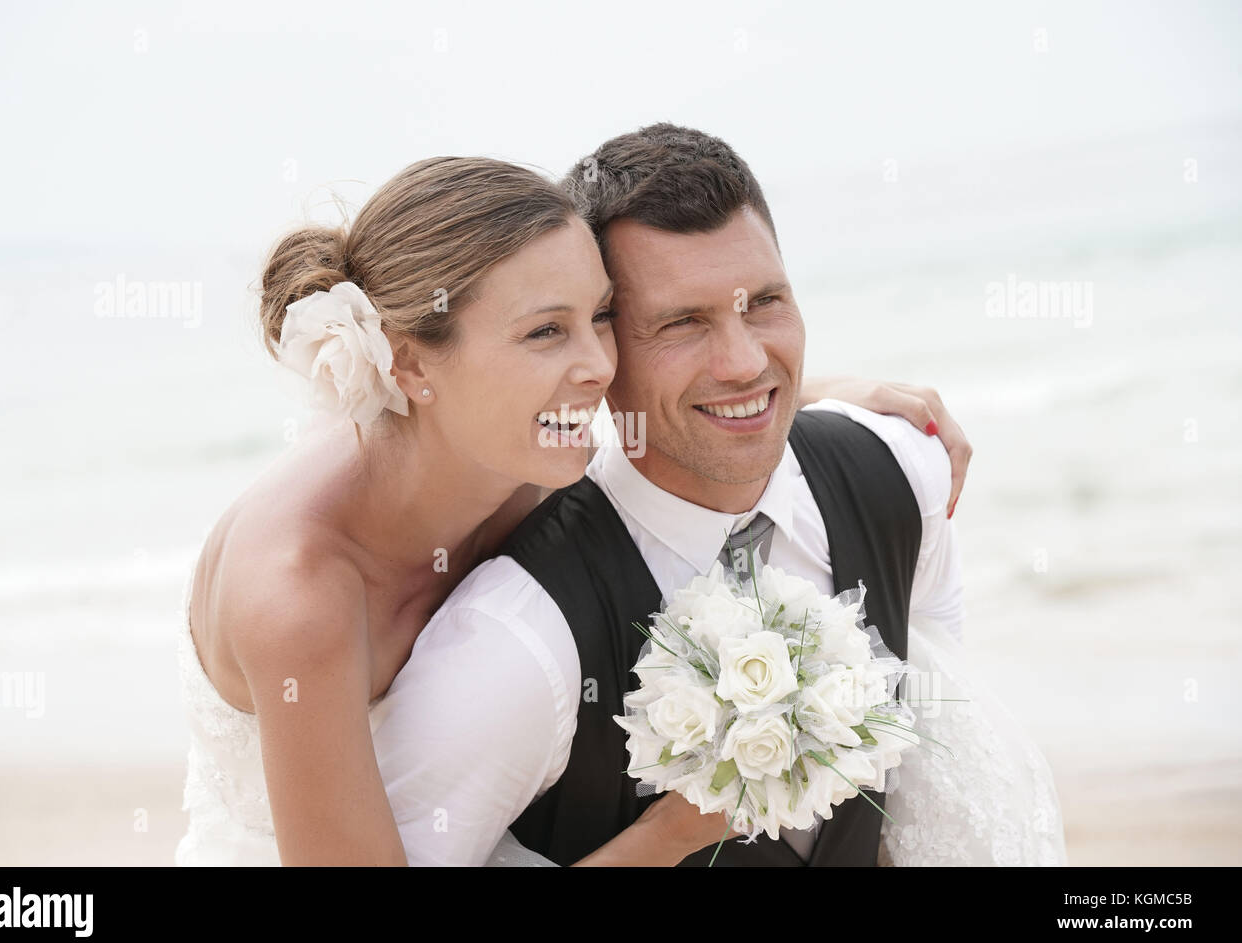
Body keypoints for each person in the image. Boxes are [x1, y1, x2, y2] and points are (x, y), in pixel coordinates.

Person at [174, 154, 972, 866]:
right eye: (546, 332)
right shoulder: (299, 599)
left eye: (599, 317)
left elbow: (681, 399)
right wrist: (667, 836)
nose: (595, 365)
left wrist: (815, 393)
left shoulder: (512, 445)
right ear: (410, 361)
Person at [369, 124, 1065, 867]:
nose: (743, 361)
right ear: (601, 349)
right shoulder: (513, 642)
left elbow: (938, 747)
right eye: (683, 322)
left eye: (764, 302)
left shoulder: (904, 471)